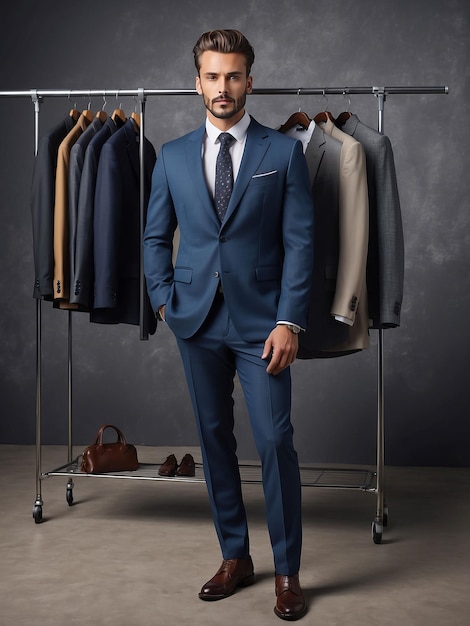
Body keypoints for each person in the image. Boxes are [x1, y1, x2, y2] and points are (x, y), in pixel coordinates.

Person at [143, 29, 314, 621]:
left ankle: (287, 571)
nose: (223, 87)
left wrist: (289, 319)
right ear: (198, 83)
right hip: (195, 322)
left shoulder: (282, 153)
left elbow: (300, 243)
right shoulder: (171, 155)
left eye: (234, 75)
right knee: (214, 442)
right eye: (213, 77)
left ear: (249, 80)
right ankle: (234, 556)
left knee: (274, 442)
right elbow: (153, 237)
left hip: (264, 325)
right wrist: (164, 300)